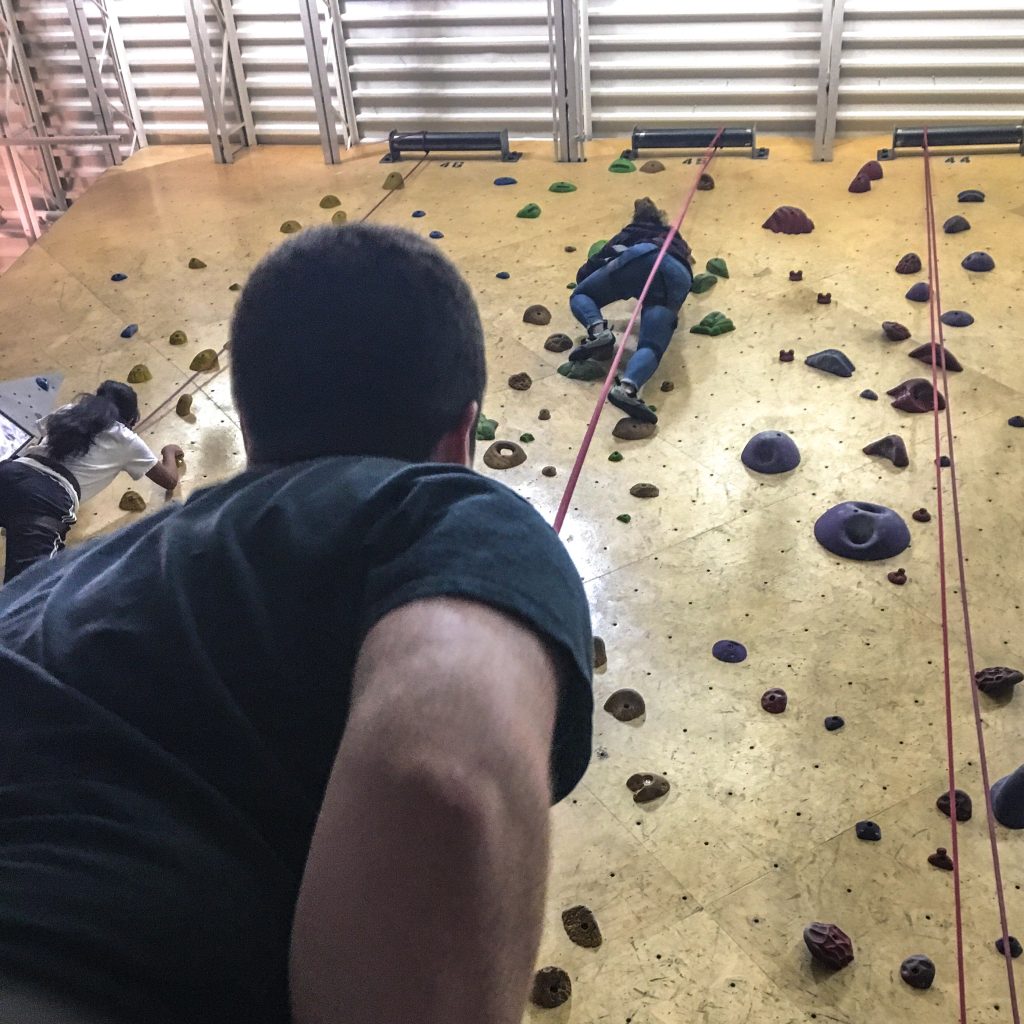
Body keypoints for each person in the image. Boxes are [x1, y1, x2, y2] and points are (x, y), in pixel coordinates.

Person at [0, 223, 594, 1024]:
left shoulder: (37, 595)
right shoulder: (432, 509)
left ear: (249, 427)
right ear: (461, 433)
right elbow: (444, 785)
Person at [0, 381, 182, 582]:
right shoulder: (126, 438)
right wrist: (169, 451)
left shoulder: (69, 412)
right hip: (46, 502)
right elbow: (169, 480)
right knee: (27, 591)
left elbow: (45, 440)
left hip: (12, 471)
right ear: (130, 419)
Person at [568, 196, 694, 425]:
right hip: (679, 276)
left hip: (642, 256)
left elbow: (604, 257)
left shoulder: (634, 230)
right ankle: (627, 389)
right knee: (651, 346)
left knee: (581, 295)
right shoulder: (676, 238)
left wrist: (587, 276)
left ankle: (599, 332)